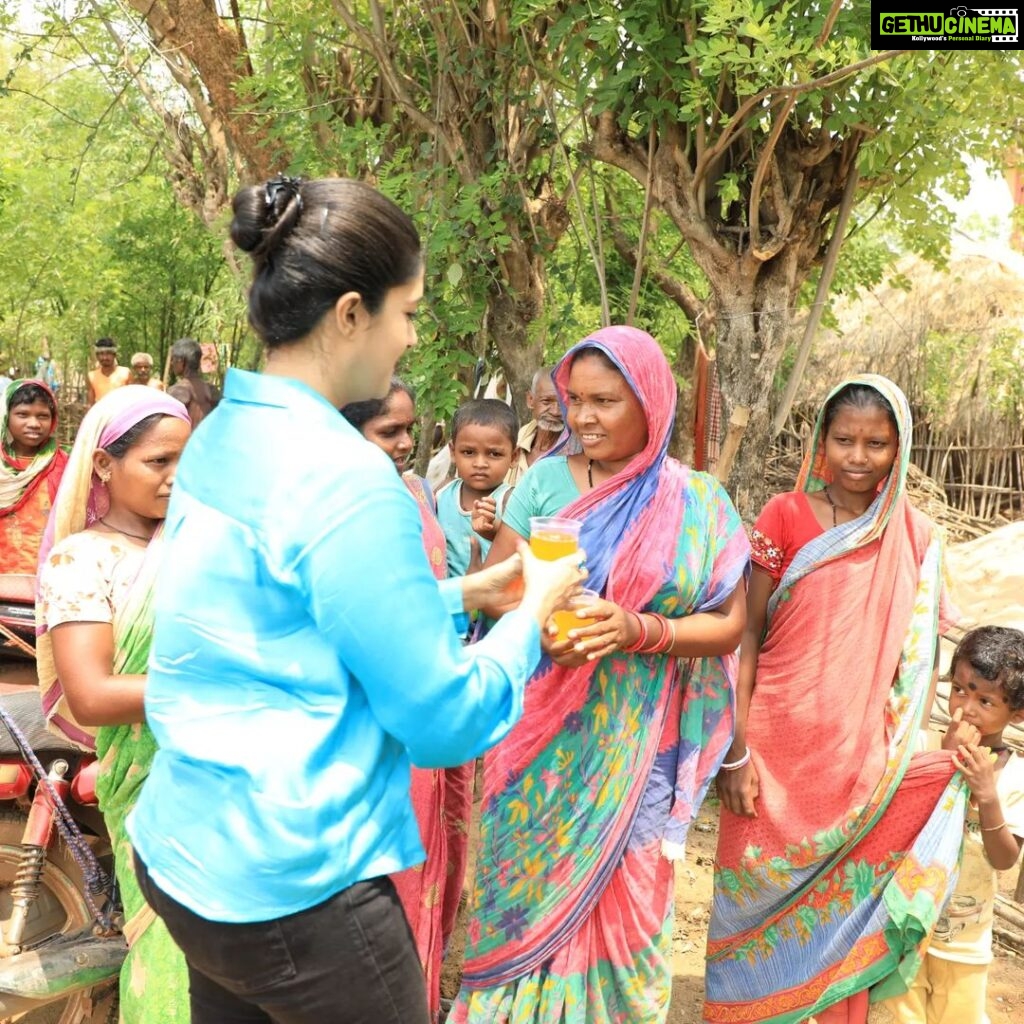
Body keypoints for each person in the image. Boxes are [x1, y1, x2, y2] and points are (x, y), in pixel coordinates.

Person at [125, 175, 585, 1024]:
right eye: (406, 312)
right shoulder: (348, 478)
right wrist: (529, 615)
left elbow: (288, 617)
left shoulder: (226, 432)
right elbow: (443, 719)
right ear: (348, 313)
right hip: (296, 888)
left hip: (189, 854)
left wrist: (461, 591)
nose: (411, 337)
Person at [453, 325, 749, 1024]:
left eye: (605, 401)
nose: (583, 418)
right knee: (521, 899)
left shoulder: (698, 501)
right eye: (574, 400)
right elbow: (496, 592)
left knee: (635, 903)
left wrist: (638, 630)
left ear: (651, 401)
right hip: (536, 743)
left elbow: (729, 625)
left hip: (638, 746)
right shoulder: (544, 484)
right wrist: (535, 626)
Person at [706, 375, 969, 1024]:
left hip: (860, 768)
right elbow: (745, 638)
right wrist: (734, 752)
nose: (858, 457)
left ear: (900, 447)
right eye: (844, 440)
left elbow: (930, 656)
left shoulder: (917, 538)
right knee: (744, 910)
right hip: (769, 755)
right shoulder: (785, 516)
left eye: (876, 443)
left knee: (839, 921)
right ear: (821, 442)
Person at [35, 384, 191, 1023]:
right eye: (159, 462)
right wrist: (229, 690)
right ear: (104, 465)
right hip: (155, 786)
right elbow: (94, 695)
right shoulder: (83, 560)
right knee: (174, 959)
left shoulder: (199, 548)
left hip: (240, 783)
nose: (177, 479)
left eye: (188, 461)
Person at [342, 377, 469, 1018]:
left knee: (424, 870)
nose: (405, 443)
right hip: (366, 720)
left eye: (409, 430)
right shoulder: (331, 509)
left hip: (426, 704)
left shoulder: (418, 491)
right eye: (388, 431)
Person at [881, 626, 1024, 1024]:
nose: (967, 706)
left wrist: (987, 794)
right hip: (908, 927)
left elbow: (1004, 859)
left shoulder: (1015, 777)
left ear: (1017, 713)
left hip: (965, 942)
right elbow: (902, 821)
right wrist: (944, 760)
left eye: (985, 700)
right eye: (960, 689)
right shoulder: (927, 749)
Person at [437, 398, 516, 577]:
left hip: (492, 597)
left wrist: (494, 531)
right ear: (452, 452)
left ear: (514, 456)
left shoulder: (510, 500)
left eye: (494, 454)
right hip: (448, 598)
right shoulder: (442, 493)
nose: (480, 463)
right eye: (468, 452)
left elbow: (523, 550)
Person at [0, 379, 68, 574]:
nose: (34, 424)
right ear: (6, 416)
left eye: (43, 416)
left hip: (46, 572)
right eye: (22, 414)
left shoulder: (64, 465)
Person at [505, 367, 563, 486]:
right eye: (546, 402)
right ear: (530, 400)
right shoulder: (518, 438)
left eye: (563, 403)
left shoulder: (578, 450)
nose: (556, 412)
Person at [167, 337, 220, 426]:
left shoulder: (178, 391)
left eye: (173, 359)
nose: (172, 363)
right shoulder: (212, 390)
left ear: (181, 361)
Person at [87, 338, 131, 405]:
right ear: (97, 356)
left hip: (122, 414)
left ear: (114, 355)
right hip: (101, 414)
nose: (105, 357)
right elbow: (90, 404)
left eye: (108, 354)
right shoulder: (92, 376)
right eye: (101, 354)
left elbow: (132, 399)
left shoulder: (126, 373)